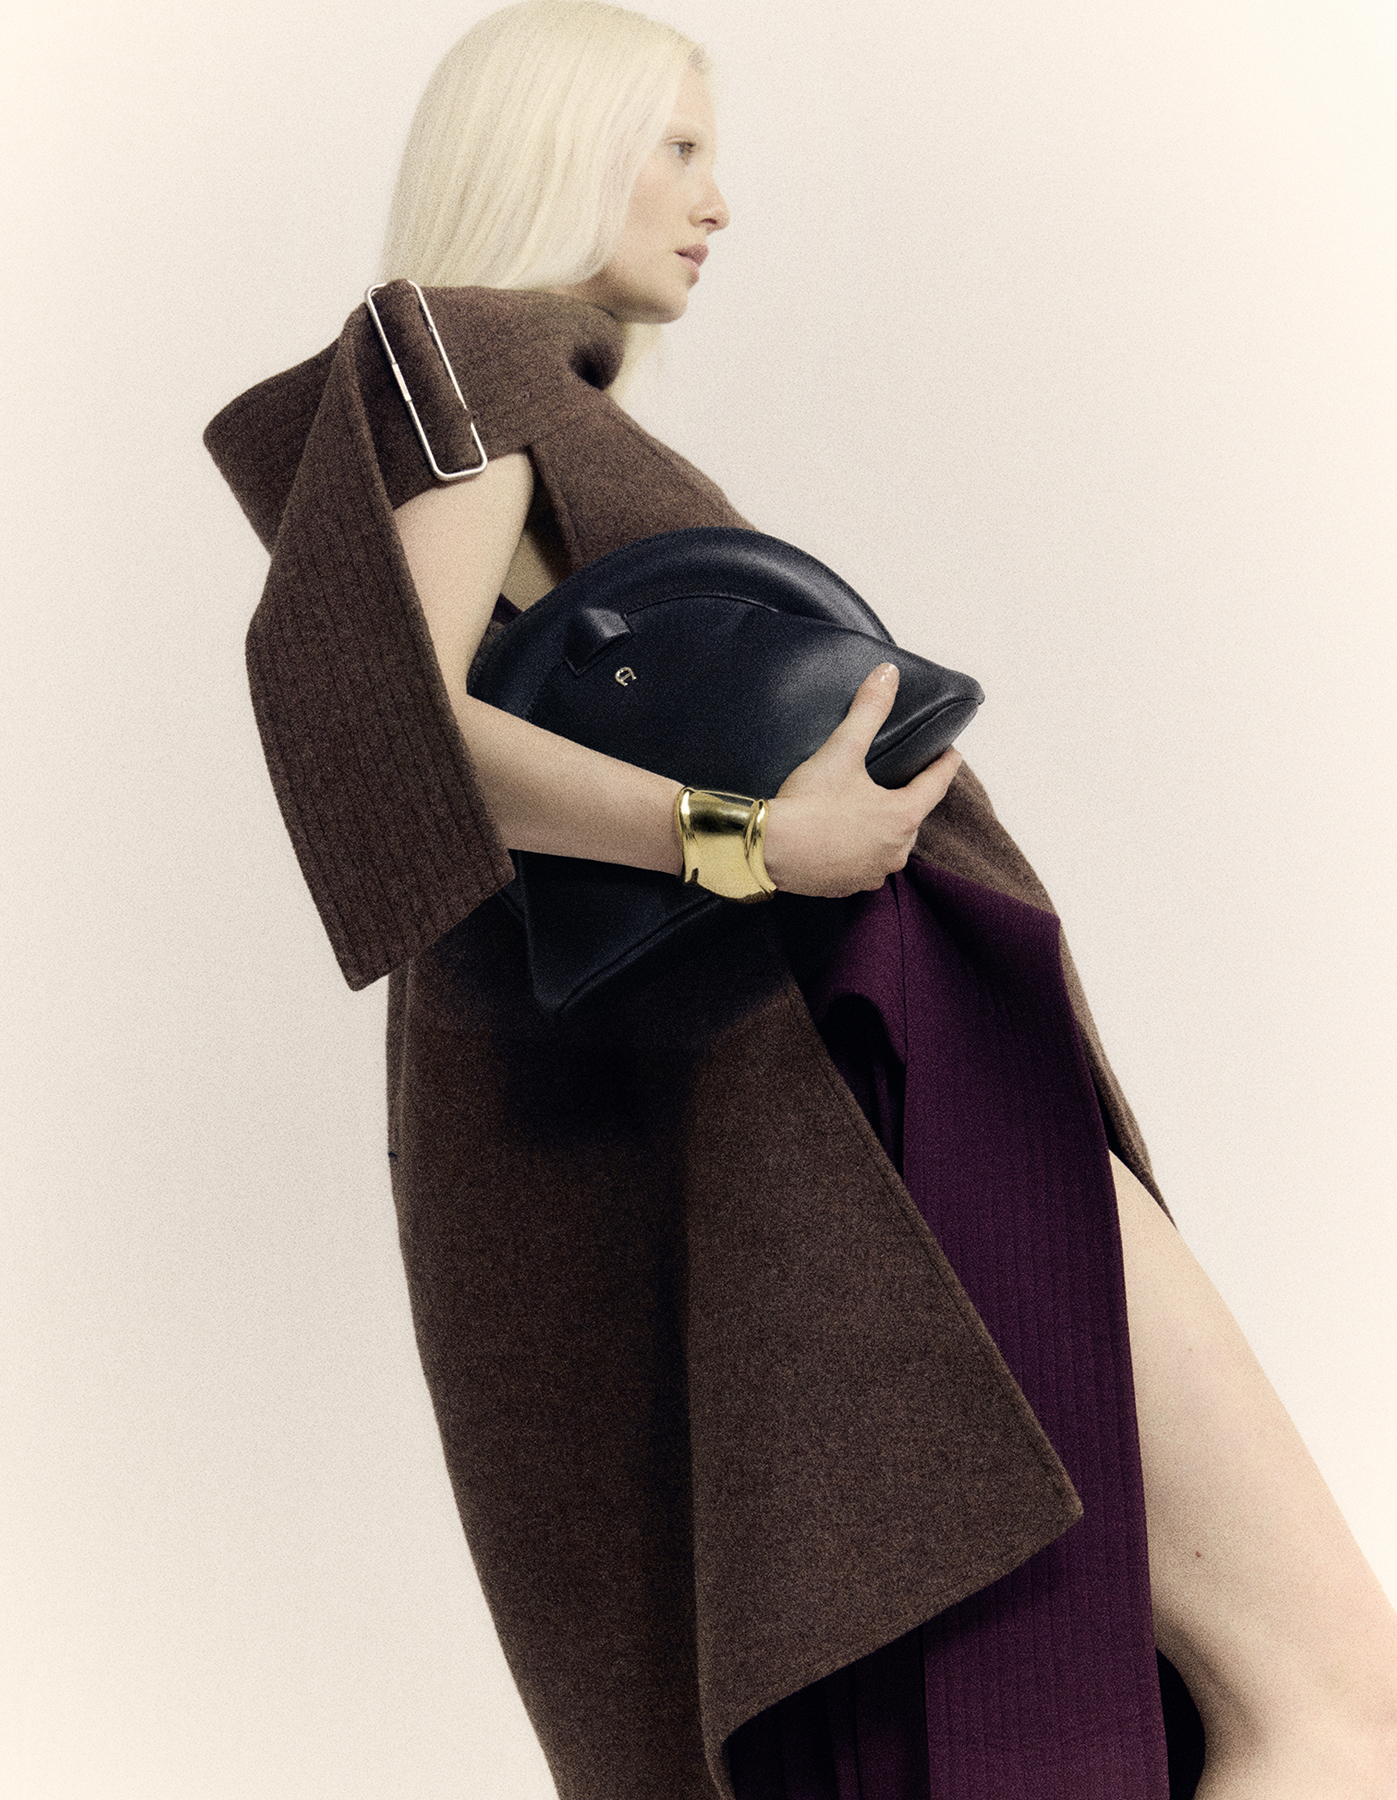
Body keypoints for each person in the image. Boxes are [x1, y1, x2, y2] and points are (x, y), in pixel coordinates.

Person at [204, 4, 1397, 1797]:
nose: (715, 201)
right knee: (1328, 1692)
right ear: (555, 151)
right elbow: (392, 727)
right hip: (872, 1076)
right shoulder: (452, 349)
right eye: (676, 147)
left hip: (875, 1060)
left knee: (1285, 1691)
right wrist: (747, 840)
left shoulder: (527, 393)